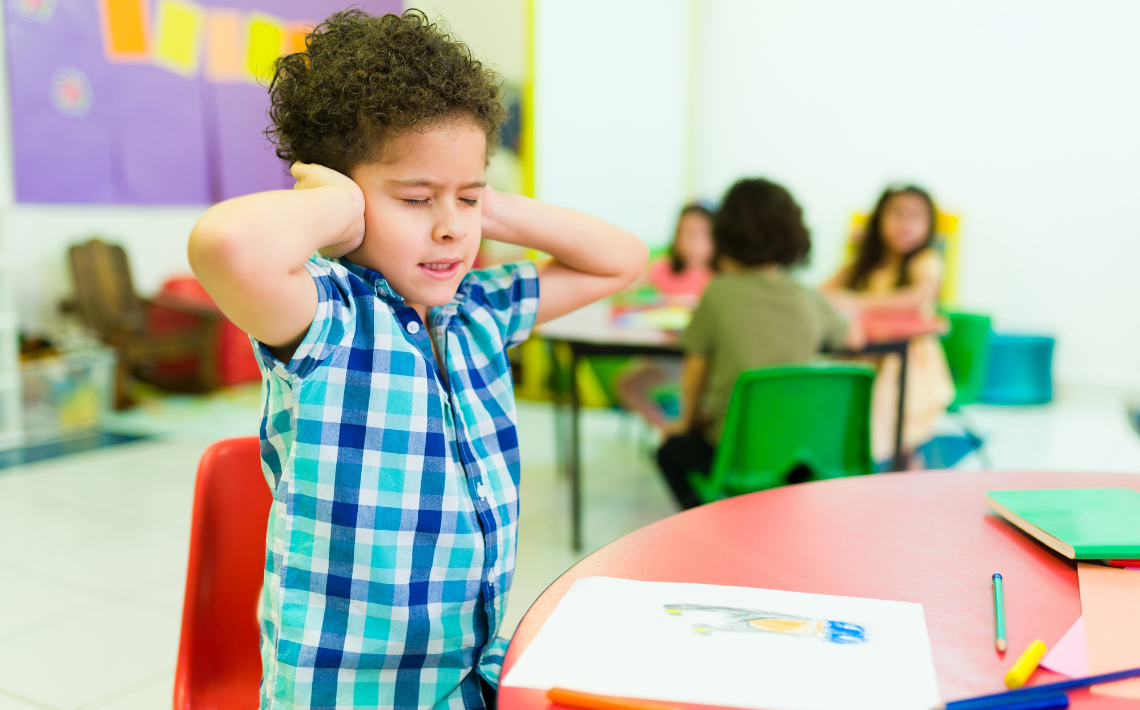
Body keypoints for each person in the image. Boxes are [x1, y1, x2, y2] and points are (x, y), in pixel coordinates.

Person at [187, 10, 647, 710]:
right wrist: (338, 204)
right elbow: (228, 245)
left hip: (466, 676)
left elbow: (623, 260)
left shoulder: (478, 313)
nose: (449, 226)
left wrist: (486, 208)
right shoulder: (326, 315)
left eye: (467, 196)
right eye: (414, 198)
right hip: (348, 693)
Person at [656, 179, 862, 509]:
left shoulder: (718, 292)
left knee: (669, 451)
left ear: (724, 233)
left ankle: (707, 520)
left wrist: (686, 421)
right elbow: (852, 338)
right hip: (802, 455)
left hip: (735, 453)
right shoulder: (807, 296)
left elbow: (696, 367)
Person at [821, 184, 955, 468]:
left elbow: (920, 296)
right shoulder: (863, 263)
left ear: (929, 225)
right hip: (864, 353)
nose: (905, 224)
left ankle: (896, 463)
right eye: (897, 214)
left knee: (889, 402)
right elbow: (822, 292)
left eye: (915, 216)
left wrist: (856, 301)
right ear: (879, 219)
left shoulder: (925, 261)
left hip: (911, 360)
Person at [615, 204, 714, 429]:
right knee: (626, 385)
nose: (692, 241)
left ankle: (688, 429)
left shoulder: (718, 278)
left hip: (700, 358)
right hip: (663, 356)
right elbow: (626, 293)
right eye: (685, 233)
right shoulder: (663, 268)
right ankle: (667, 430)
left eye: (700, 234)